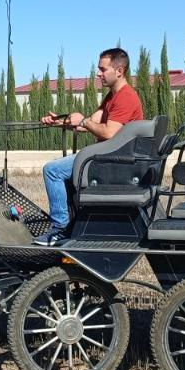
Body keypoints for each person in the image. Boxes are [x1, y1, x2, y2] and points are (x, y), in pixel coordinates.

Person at [34, 47, 144, 245]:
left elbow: (108, 132)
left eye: (103, 69)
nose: (98, 74)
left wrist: (83, 121)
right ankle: (72, 222)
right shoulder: (113, 96)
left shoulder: (126, 97)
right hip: (107, 155)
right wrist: (59, 121)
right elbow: (94, 122)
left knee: (52, 171)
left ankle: (60, 229)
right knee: (58, 170)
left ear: (119, 71)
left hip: (111, 161)